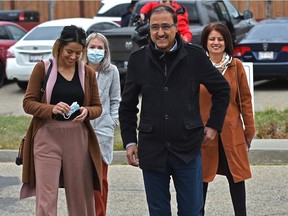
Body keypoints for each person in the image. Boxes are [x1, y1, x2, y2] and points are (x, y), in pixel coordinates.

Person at [119, 5, 230, 216]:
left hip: (187, 147)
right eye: (154, 27)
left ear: (176, 27)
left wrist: (214, 125)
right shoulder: (138, 60)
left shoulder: (195, 56)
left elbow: (222, 89)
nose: (160, 32)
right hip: (152, 150)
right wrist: (130, 141)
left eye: (165, 26)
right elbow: (127, 106)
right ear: (149, 29)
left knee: (191, 211)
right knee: (158, 211)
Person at [20, 25, 103, 215]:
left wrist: (87, 111)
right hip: (47, 136)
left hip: (78, 137)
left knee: (80, 195)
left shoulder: (87, 73)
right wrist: (51, 109)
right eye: (69, 51)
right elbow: (28, 103)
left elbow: (98, 107)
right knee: (46, 197)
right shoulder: (43, 68)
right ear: (59, 46)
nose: (73, 57)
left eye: (78, 53)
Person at [200, 23, 256, 216]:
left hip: (232, 132)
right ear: (205, 42)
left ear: (226, 42)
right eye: (212, 39)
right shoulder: (197, 66)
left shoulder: (236, 66)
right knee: (201, 180)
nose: (216, 43)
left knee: (236, 178)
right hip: (204, 134)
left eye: (220, 39)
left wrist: (249, 130)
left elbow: (245, 100)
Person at [86, 32, 121, 216]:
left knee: (100, 180)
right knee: (82, 181)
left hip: (102, 132)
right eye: (92, 47)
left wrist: (111, 121)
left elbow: (115, 100)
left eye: (100, 48)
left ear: (106, 51)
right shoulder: (78, 70)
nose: (96, 51)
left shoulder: (111, 71)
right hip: (80, 131)